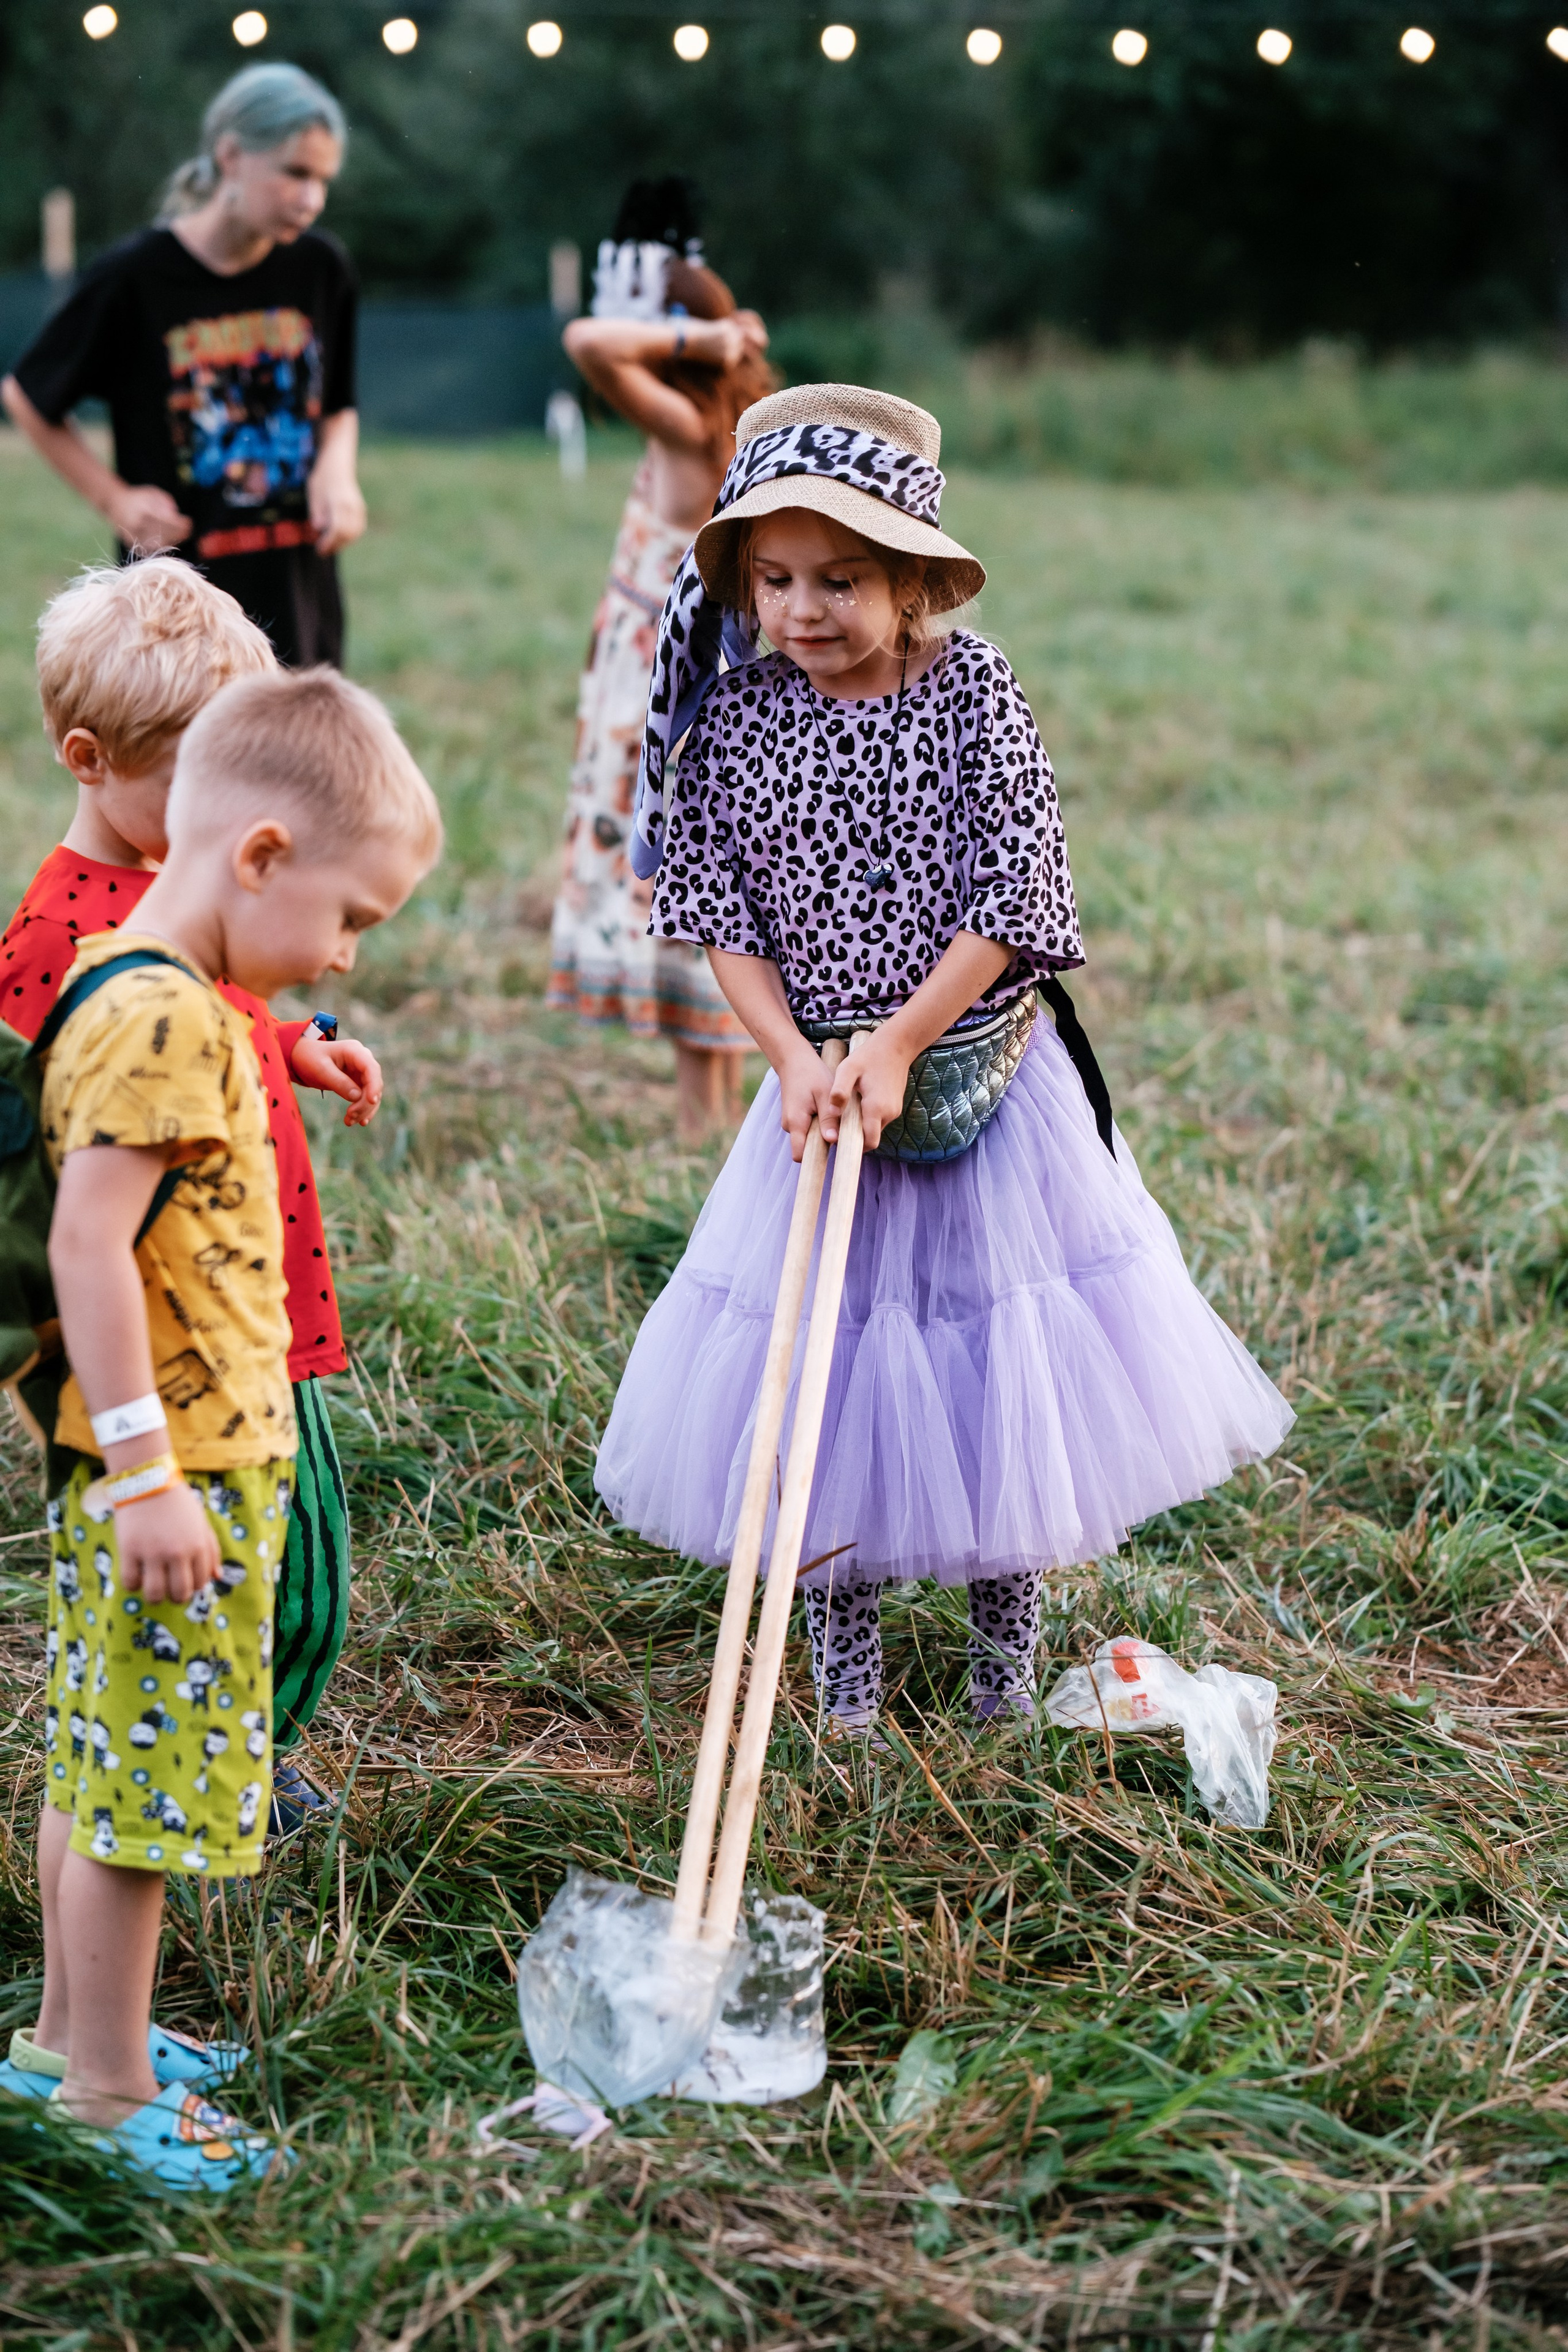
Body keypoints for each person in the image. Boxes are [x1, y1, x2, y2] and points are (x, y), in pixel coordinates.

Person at [595, 383, 1295, 1733]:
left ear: (912, 581)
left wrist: (902, 1040)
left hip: (977, 1076)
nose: (804, 610)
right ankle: (846, 1678)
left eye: (840, 580)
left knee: (999, 1362)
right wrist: (792, 1057)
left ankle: (999, 1673)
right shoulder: (737, 721)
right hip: (820, 1091)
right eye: (776, 579)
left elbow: (1015, 890)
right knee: (822, 1371)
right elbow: (721, 915)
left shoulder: (972, 692)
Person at [0, 666, 440, 2187]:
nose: (345, 954)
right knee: (145, 1797)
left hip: (162, 1460)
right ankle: (108, 2097)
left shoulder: (147, 979)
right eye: (349, 916)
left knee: (101, 1755)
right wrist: (147, 1474)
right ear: (259, 855)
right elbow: (86, 1248)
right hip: (174, 1468)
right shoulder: (167, 1020)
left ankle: (64, 2040)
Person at [0, 559, 382, 1842]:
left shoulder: (180, 884)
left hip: (263, 1278)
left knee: (301, 1551)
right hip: (186, 1326)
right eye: (198, 781)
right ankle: (235, 1756)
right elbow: (61, 1143)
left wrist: (293, 1045)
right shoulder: (57, 941)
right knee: (284, 1563)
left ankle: (243, 1741)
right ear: (90, 759)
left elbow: (215, 1016)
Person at [547, 178, 776, 1142]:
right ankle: (709, 1111)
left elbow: (586, 342)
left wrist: (702, 339)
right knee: (712, 858)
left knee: (682, 860)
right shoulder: (734, 421)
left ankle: (697, 1121)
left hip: (663, 676)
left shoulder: (687, 428)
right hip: (685, 661)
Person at [1, 63, 364, 669]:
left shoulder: (321, 268)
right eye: (296, 173)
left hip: (298, 595)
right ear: (231, 155)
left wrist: (337, 470)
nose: (312, 199)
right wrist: (114, 500)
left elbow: (338, 402)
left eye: (323, 180)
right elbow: (28, 395)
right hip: (176, 617)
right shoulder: (134, 278)